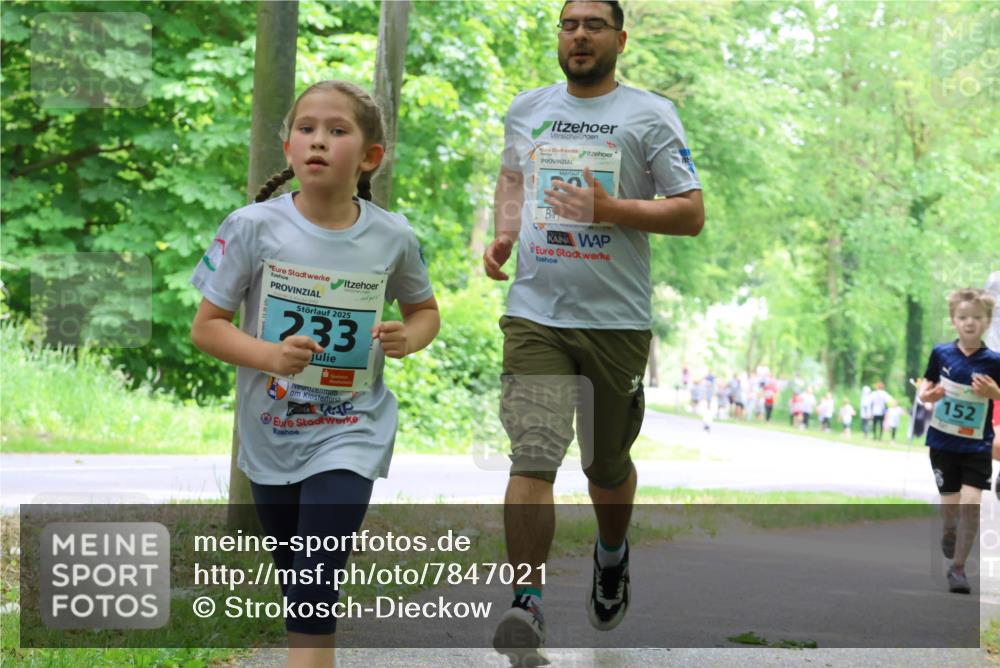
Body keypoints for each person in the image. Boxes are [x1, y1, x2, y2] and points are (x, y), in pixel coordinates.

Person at [482, 1, 704, 663]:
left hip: (615, 322)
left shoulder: (650, 115)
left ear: (619, 39)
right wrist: (502, 230)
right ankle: (528, 603)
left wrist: (609, 208)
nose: (579, 35)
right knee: (533, 454)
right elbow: (513, 177)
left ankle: (612, 554)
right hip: (535, 313)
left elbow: (689, 212)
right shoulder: (527, 108)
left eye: (593, 25)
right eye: (569, 24)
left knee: (606, 467)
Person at [189, 80, 440, 665]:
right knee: (297, 580)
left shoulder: (392, 235)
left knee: (314, 580)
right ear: (288, 147)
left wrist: (410, 337)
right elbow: (207, 327)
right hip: (272, 432)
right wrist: (270, 356)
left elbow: (424, 311)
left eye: (337, 130)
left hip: (353, 429)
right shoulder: (251, 227)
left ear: (370, 156)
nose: (318, 141)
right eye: (306, 129)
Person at [917, 288, 1000, 594]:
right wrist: (928, 395)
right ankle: (948, 530)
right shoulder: (941, 354)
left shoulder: (994, 361)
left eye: (977, 318)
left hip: (976, 446)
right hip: (943, 443)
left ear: (987, 322)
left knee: (972, 505)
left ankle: (958, 569)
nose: (970, 323)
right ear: (953, 320)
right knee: (951, 507)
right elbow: (925, 389)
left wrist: (995, 395)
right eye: (963, 317)